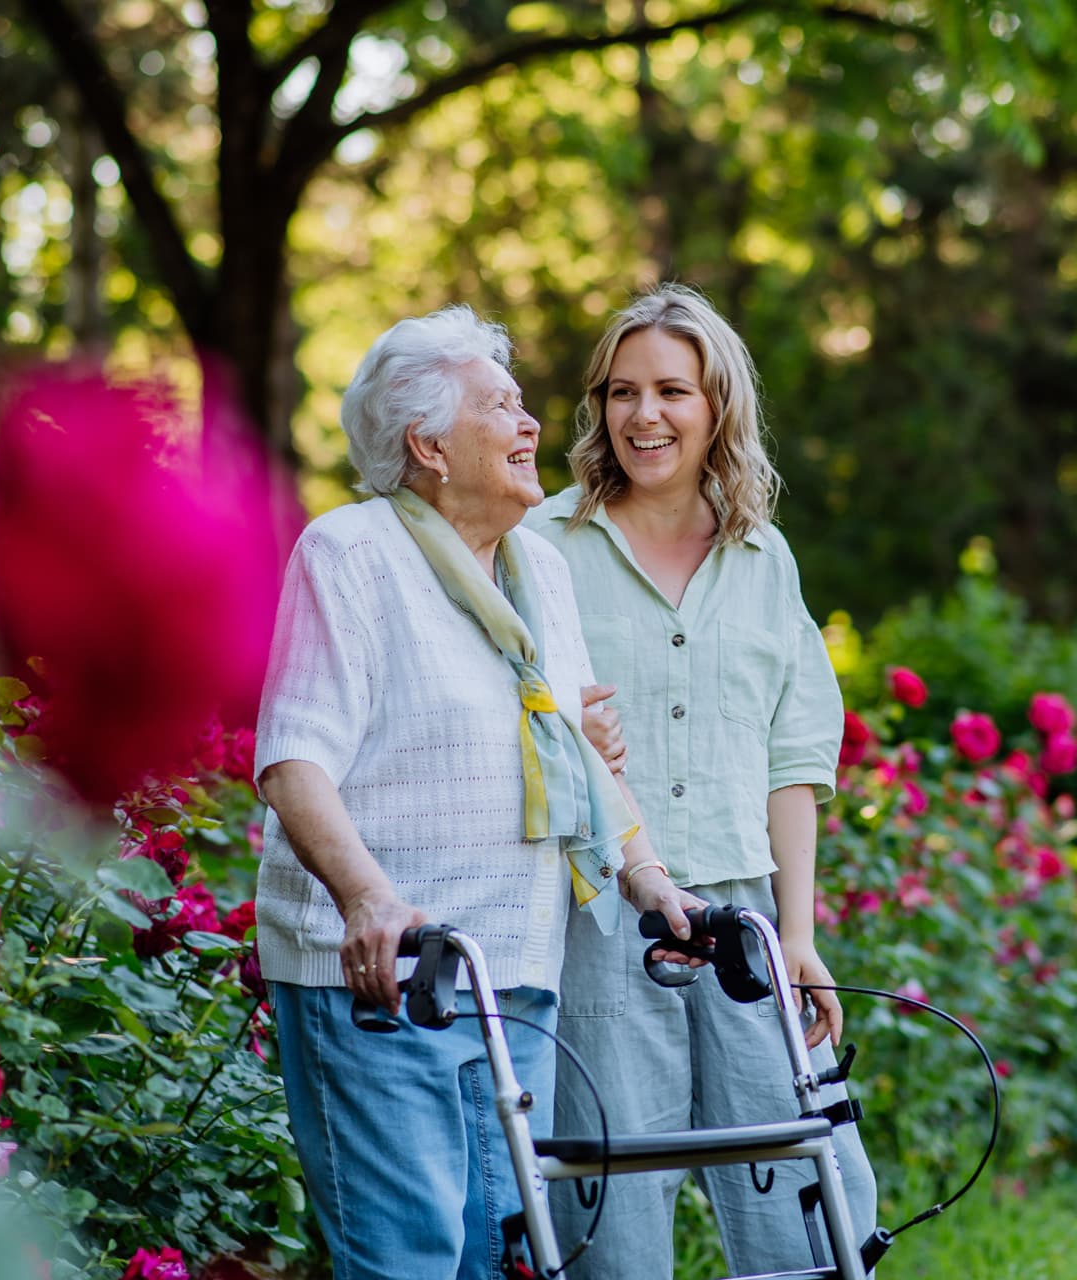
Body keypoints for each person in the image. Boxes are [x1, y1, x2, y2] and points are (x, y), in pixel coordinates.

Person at [253, 304, 698, 1280]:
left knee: (506, 1260)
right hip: (384, 980)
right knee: (411, 1257)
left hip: (513, 979)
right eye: (501, 406)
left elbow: (578, 751)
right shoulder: (353, 554)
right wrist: (367, 895)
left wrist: (649, 876)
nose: (533, 424)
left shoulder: (537, 565)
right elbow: (294, 757)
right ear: (428, 444)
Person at [526, 284, 877, 1279]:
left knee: (807, 1199)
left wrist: (797, 933)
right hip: (600, 919)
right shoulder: (543, 547)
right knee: (609, 1205)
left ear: (718, 403)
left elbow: (795, 759)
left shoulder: (764, 558)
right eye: (622, 391)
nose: (645, 415)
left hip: (744, 921)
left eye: (673, 390)